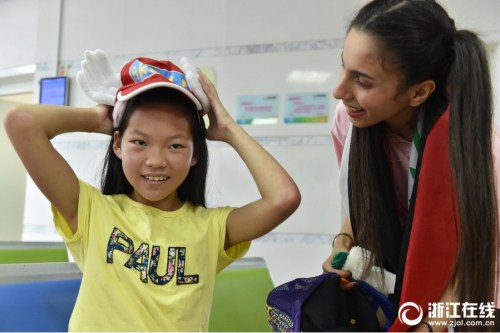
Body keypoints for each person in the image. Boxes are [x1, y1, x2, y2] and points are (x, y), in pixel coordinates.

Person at [3, 52, 301, 331]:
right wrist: (98, 119)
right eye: (140, 142)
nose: (156, 161)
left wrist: (228, 129)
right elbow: (20, 122)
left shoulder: (211, 228)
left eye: (175, 145)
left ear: (195, 154)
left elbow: (283, 198)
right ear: (117, 144)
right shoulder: (91, 211)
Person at [321, 0, 499, 331]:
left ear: (419, 92)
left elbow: (484, 256)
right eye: (343, 68)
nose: (339, 91)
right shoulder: (349, 123)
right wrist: (343, 245)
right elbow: (359, 205)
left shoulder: (478, 148)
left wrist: (431, 325)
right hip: (394, 296)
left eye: (363, 81)